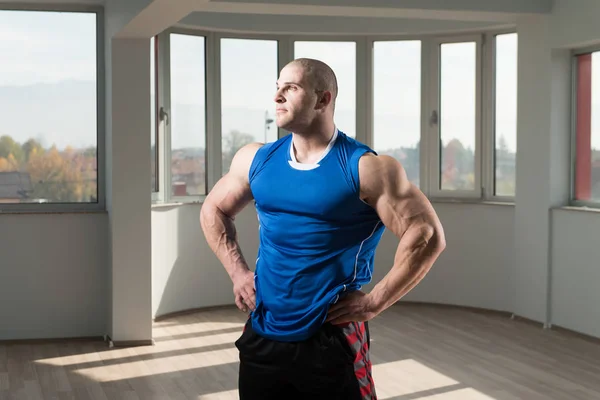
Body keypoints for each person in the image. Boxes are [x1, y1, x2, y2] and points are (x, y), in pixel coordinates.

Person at [200, 58, 446, 400]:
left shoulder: (365, 168)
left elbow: (426, 235)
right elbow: (213, 208)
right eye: (277, 87)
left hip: (330, 336)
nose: (278, 97)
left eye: (291, 88)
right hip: (263, 330)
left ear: (323, 99)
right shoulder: (255, 159)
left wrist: (375, 301)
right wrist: (238, 272)